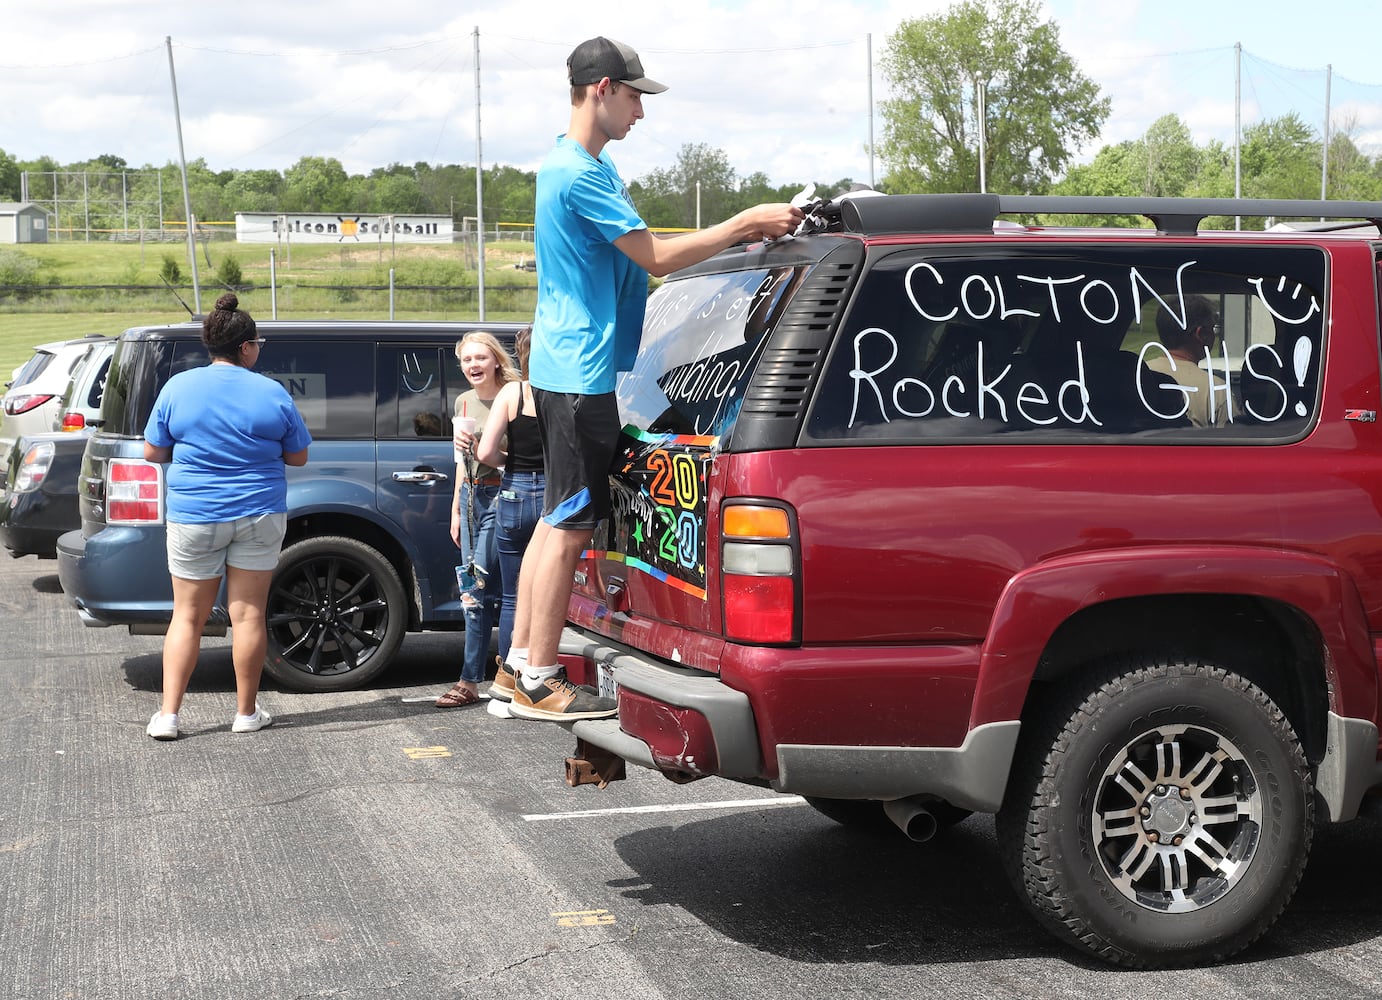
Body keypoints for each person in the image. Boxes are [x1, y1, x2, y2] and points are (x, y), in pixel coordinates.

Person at [505, 36, 804, 721]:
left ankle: (519, 662)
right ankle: (539, 676)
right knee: (571, 522)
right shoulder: (578, 173)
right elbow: (659, 257)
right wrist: (747, 223)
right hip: (578, 371)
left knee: (557, 520)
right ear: (603, 88)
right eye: (637, 95)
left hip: (567, 365)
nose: (642, 110)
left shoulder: (579, 163)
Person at [143, 292, 312, 740]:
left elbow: (153, 451)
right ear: (245, 347)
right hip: (258, 511)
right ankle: (246, 713)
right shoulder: (271, 391)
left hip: (195, 512)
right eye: (258, 341)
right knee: (249, 615)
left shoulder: (178, 387)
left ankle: (168, 716)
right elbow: (298, 458)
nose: (259, 349)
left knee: (187, 616)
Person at [434, 331, 520, 707]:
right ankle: (481, 678)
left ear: (496, 360)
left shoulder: (514, 394)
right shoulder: (464, 401)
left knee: (480, 588)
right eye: (467, 360)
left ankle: (477, 679)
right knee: (475, 591)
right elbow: (461, 461)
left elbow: (523, 458)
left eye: (480, 358)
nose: (473, 366)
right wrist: (455, 507)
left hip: (503, 492)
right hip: (471, 495)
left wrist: (488, 452)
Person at [473, 327, 544, 718]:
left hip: (515, 495)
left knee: (514, 594)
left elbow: (485, 452)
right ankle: (541, 676)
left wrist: (508, 462)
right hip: (554, 496)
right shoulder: (561, 396)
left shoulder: (512, 394)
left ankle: (505, 685)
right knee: (549, 591)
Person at [1146, 295, 1234, 428]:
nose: (1214, 335)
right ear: (1201, 334)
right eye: (1212, 328)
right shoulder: (1216, 390)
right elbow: (1234, 443)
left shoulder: (1137, 376)